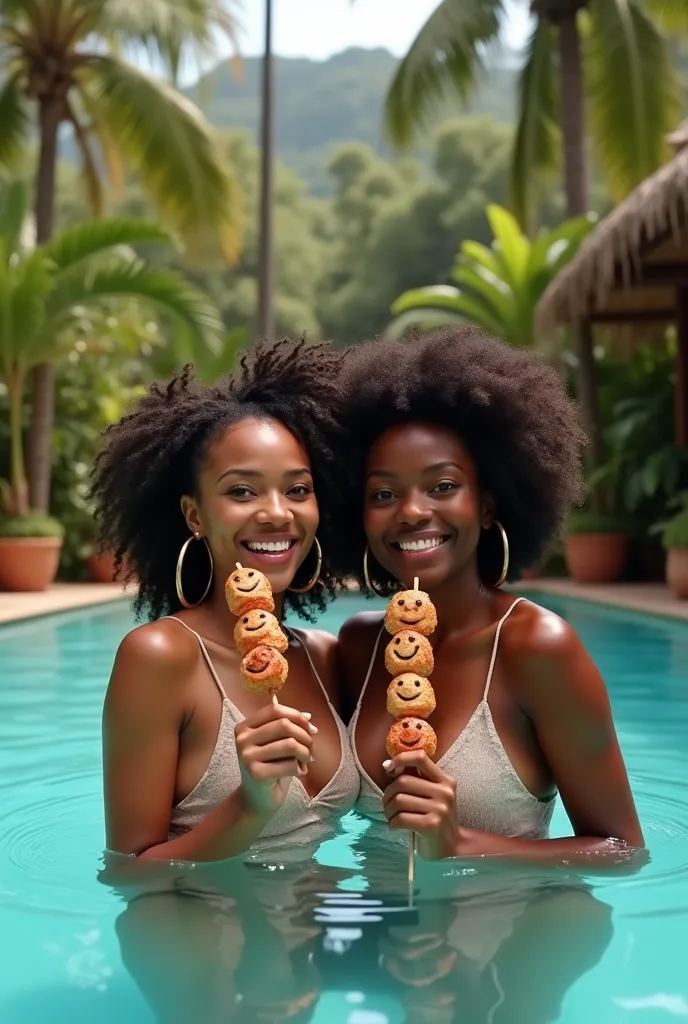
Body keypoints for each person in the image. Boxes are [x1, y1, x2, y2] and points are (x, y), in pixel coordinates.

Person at [333, 326, 644, 865]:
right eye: (383, 493)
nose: (411, 511)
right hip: (379, 938)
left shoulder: (538, 648)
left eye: (443, 486)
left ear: (488, 504)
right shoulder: (360, 647)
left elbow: (622, 851)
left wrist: (461, 844)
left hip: (505, 938)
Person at [91, 339, 359, 863]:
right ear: (195, 516)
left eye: (298, 490)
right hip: (206, 941)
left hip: (321, 937)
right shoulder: (160, 657)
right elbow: (129, 872)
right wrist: (249, 807)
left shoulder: (324, 658)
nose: (277, 513)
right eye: (242, 492)